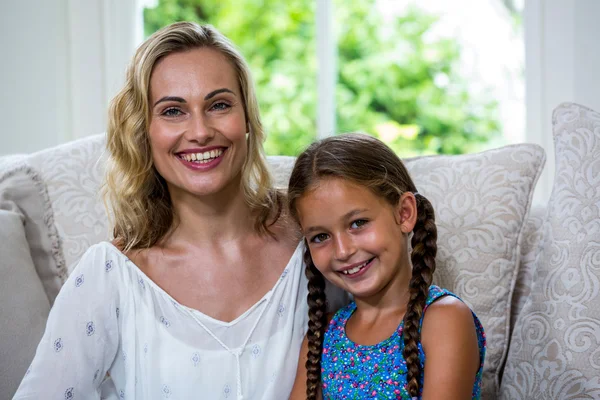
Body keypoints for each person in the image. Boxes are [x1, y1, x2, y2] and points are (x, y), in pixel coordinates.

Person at [13, 22, 345, 400]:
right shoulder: (110, 276)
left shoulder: (318, 237)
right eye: (173, 111)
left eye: (219, 105)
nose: (200, 131)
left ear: (248, 119)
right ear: (144, 132)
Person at [287, 133, 486, 400]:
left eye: (358, 223)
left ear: (404, 213)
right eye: (321, 237)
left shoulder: (444, 320)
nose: (343, 251)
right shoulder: (321, 339)